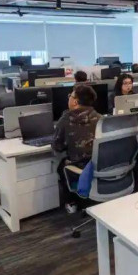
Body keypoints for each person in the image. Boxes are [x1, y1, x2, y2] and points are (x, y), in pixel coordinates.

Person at [52, 85, 102, 213]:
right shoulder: (100, 119)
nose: (68, 97)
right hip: (100, 165)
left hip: (81, 166)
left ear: (75, 101)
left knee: (60, 165)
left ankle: (71, 202)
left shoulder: (65, 120)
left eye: (70, 95)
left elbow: (57, 146)